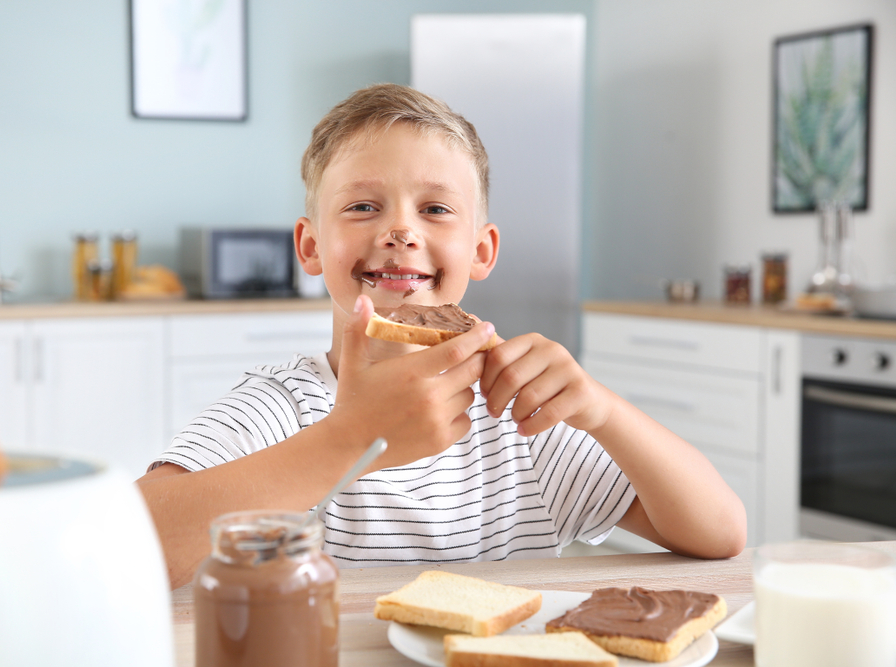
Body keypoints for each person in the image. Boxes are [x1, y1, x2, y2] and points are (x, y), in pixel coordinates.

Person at [137, 83, 746, 589]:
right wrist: (349, 438)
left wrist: (605, 411)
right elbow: (128, 544)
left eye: (435, 209)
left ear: (481, 251)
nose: (401, 229)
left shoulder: (516, 415)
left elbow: (720, 533)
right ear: (310, 246)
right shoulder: (281, 405)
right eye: (362, 207)